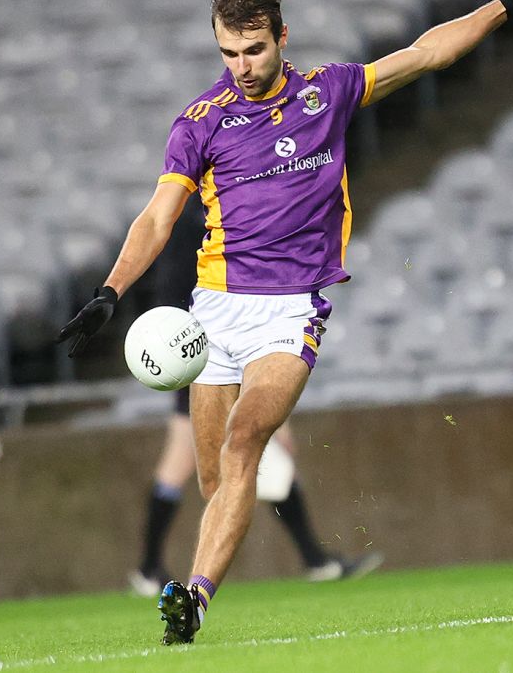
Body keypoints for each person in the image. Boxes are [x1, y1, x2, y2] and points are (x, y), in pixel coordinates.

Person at [58, 0, 513, 644]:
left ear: (282, 38)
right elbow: (157, 218)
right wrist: (109, 292)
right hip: (212, 313)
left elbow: (425, 53)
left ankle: (192, 604)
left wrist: (506, 7)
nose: (242, 66)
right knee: (217, 482)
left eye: (255, 49)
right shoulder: (199, 123)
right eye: (229, 52)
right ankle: (200, 587)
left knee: (247, 440)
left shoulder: (326, 93)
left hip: (288, 311)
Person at [129, 195, 383, 597]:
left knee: (213, 461)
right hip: (199, 350)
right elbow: (177, 289)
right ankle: (149, 568)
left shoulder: (215, 211)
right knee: (195, 463)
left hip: (202, 346)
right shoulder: (206, 217)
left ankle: (314, 559)